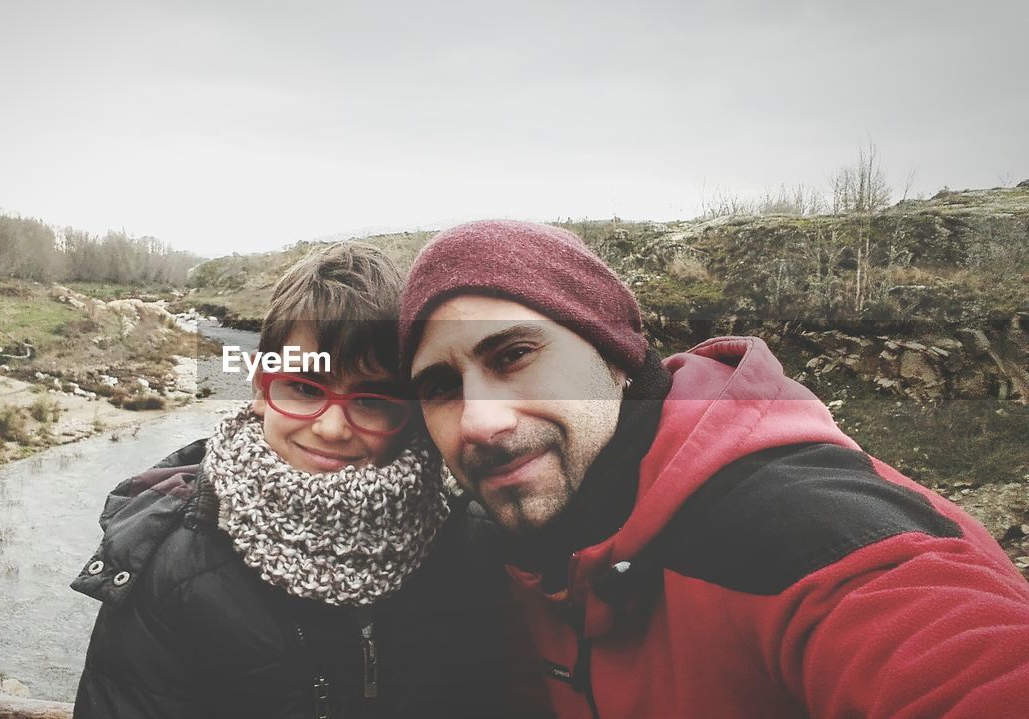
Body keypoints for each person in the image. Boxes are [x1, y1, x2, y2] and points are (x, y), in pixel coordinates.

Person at [397, 219, 1029, 718]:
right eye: (440, 388)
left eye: (513, 355)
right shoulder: (514, 554)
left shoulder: (799, 529)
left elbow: (966, 664)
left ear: (615, 355)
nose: (480, 421)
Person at [72, 241, 546, 718]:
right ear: (261, 388)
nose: (331, 428)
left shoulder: (476, 540)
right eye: (303, 388)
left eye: (372, 400)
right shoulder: (173, 570)